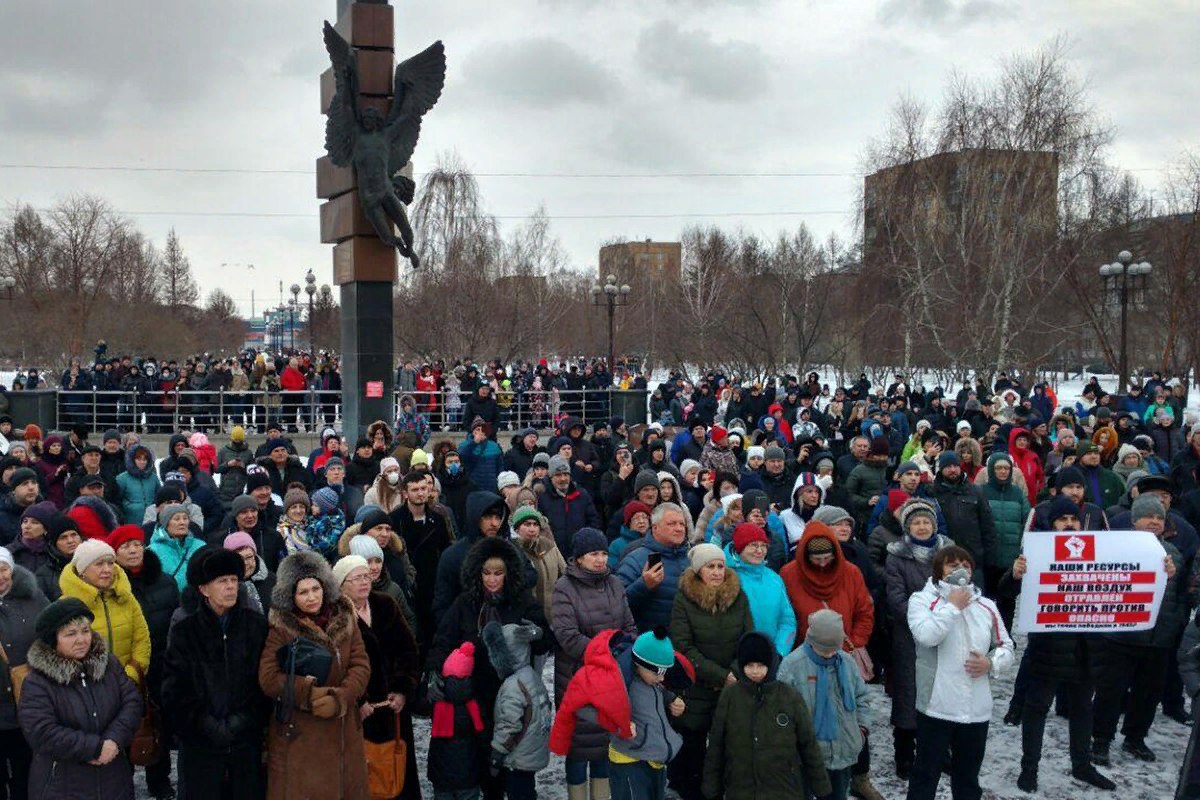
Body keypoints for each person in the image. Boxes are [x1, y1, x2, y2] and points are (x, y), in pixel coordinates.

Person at [1000, 495, 1117, 791]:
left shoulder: (1100, 550)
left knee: (1081, 710)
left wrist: (1160, 572)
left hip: (1086, 648)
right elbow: (1006, 591)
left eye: (1073, 519)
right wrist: (1014, 575)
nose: (1068, 525)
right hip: (1049, 647)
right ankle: (1029, 769)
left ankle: (1082, 765)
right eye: (1062, 520)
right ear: (1052, 524)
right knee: (1036, 708)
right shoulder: (1036, 551)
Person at [426, 536, 551, 800]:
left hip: (514, 697)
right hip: (475, 695)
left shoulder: (522, 601)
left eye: (498, 573)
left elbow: (546, 641)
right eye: (486, 573)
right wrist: (435, 671)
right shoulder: (465, 603)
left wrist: (536, 633)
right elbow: (443, 640)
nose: (492, 580)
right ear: (477, 573)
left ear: (509, 573)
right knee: (485, 766)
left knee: (516, 770)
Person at [258, 551, 371, 799]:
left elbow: (361, 664)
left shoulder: (345, 618)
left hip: (344, 731)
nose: (311, 597)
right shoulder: (282, 627)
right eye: (303, 592)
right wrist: (309, 693)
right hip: (302, 736)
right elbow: (268, 678)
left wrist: (341, 697)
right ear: (291, 596)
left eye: (315, 589)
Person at [905, 545, 1014, 800]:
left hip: (976, 710)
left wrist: (991, 663)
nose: (960, 570)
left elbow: (1007, 646)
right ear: (939, 571)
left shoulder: (987, 605)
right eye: (952, 565)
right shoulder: (922, 600)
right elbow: (926, 636)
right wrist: (952, 606)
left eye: (965, 565)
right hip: (936, 706)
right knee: (925, 775)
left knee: (967, 779)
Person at [162, 546, 269, 799]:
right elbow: (174, 690)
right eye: (222, 581)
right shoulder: (184, 632)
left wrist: (240, 722)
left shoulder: (257, 626)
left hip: (245, 743)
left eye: (234, 580)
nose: (231, 587)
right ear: (203, 589)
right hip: (201, 747)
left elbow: (265, 683)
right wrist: (207, 725)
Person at [1090, 494, 1186, 764]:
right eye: (1149, 516)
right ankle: (1101, 740)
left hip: (1159, 637)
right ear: (1135, 520)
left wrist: (1171, 577)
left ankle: (1135, 738)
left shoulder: (1173, 552)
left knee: (1148, 693)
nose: (1155, 521)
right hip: (1122, 636)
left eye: (1159, 517)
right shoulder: (1118, 547)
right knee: (1111, 691)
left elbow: (1178, 593)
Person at [18, 597, 143, 800]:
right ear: (53, 639)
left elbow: (132, 702)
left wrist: (113, 740)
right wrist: (93, 748)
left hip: (113, 779)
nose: (81, 639)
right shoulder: (38, 681)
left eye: (85, 631)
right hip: (63, 785)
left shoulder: (109, 665)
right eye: (70, 634)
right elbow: (41, 731)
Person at [550, 526, 638, 799]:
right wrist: (606, 653)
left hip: (613, 678)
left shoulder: (614, 583)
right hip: (579, 678)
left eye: (602, 553)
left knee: (604, 747)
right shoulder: (564, 588)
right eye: (592, 554)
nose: (600, 559)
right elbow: (567, 636)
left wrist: (623, 650)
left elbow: (629, 626)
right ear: (578, 558)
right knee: (579, 751)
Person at [666, 542, 752, 800]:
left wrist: (735, 672)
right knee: (693, 746)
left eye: (720, 566)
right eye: (710, 567)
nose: (716, 572)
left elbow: (748, 638)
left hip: (733, 684)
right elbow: (683, 646)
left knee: (729, 744)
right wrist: (720, 675)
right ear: (698, 571)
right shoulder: (684, 599)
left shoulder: (738, 596)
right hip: (696, 687)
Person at [702, 630, 832, 800]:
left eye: (761, 666)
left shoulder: (789, 696)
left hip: (784, 789)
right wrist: (711, 788)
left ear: (771, 664)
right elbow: (717, 745)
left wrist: (821, 787)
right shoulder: (730, 695)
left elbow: (809, 745)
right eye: (749, 666)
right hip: (741, 789)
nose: (755, 671)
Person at [334, 555, 422, 800]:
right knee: (365, 775)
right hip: (361, 712)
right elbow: (338, 667)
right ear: (342, 584)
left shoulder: (385, 603)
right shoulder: (336, 616)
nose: (365, 581)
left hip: (393, 707)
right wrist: (358, 701)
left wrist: (403, 689)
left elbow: (409, 648)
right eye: (357, 577)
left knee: (398, 769)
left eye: (366, 576)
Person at [884, 497, 952, 778]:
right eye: (916, 522)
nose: (922, 527)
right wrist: (923, 621)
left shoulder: (948, 552)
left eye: (926, 521)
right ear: (907, 527)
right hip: (909, 637)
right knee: (908, 694)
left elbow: (960, 588)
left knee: (940, 694)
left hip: (944, 636)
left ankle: (938, 750)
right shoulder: (896, 556)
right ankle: (904, 753)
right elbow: (896, 598)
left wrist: (944, 620)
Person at [111, 523, 179, 799]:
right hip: (128, 668)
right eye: (125, 546)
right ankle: (123, 783)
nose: (133, 550)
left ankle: (159, 782)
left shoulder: (165, 581)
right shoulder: (112, 586)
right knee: (127, 726)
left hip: (161, 664)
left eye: (137, 544)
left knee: (158, 726)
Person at [778, 610, 871, 800]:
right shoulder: (792, 666)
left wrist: (861, 730)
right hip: (805, 758)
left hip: (843, 753)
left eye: (833, 649)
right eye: (823, 649)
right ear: (811, 641)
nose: (829, 654)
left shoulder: (846, 662)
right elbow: (781, 713)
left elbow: (862, 698)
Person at [57, 538, 151, 684]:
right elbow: (62, 653)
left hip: (128, 684)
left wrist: (130, 676)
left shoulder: (127, 598)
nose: (107, 569)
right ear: (83, 571)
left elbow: (141, 640)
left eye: (110, 563)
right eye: (99, 564)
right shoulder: (66, 605)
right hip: (87, 689)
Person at [483, 621, 552, 800]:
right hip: (532, 751)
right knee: (527, 789)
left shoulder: (513, 686)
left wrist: (497, 754)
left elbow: (509, 724)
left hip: (518, 757)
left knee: (519, 792)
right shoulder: (532, 675)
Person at [0, 548, 48, 798]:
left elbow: (51, 636)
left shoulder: (33, 598)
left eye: (3, 569)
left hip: (27, 700)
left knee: (26, 771)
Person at [615, 503, 692, 632]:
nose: (679, 529)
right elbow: (618, 606)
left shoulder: (692, 557)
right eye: (671, 524)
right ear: (655, 527)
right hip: (654, 641)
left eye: (682, 524)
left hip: (686, 643)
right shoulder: (635, 560)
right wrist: (643, 585)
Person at [724, 523, 796, 656]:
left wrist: (779, 652)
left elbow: (787, 621)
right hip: (737, 660)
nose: (760, 551)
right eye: (753, 545)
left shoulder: (774, 578)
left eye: (763, 545)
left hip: (772, 657)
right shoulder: (725, 577)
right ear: (740, 547)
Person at [427, 641, 487, 799]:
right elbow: (483, 737)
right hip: (469, 774)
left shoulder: (436, 700)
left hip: (441, 774)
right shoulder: (475, 704)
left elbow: (417, 704)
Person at [510, 506, 566, 622]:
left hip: (554, 614)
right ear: (516, 529)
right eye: (527, 524)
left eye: (535, 525)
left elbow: (565, 574)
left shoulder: (549, 545)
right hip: (528, 618)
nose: (532, 529)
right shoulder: (512, 550)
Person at [147, 503, 205, 592]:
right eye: (176, 519)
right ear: (166, 523)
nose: (182, 522)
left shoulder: (201, 546)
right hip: (167, 601)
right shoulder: (152, 551)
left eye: (185, 518)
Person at [35, 515, 82, 601]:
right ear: (54, 543)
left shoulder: (93, 564)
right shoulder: (43, 575)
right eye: (63, 537)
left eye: (74, 535)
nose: (70, 541)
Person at [115, 443, 161, 526]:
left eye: (144, 459)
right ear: (132, 460)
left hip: (151, 520)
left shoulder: (153, 478)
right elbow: (117, 500)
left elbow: (159, 496)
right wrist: (129, 507)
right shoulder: (122, 478)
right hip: (130, 520)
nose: (142, 462)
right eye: (139, 459)